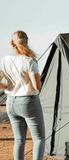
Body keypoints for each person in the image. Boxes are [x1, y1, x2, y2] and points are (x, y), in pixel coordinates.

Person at [0, 31, 45, 160]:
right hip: (28, 102)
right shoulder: (30, 61)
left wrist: (9, 87)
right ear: (27, 41)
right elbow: (38, 86)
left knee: (19, 140)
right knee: (39, 139)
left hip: (11, 103)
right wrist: (40, 79)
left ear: (11, 43)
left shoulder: (5, 60)